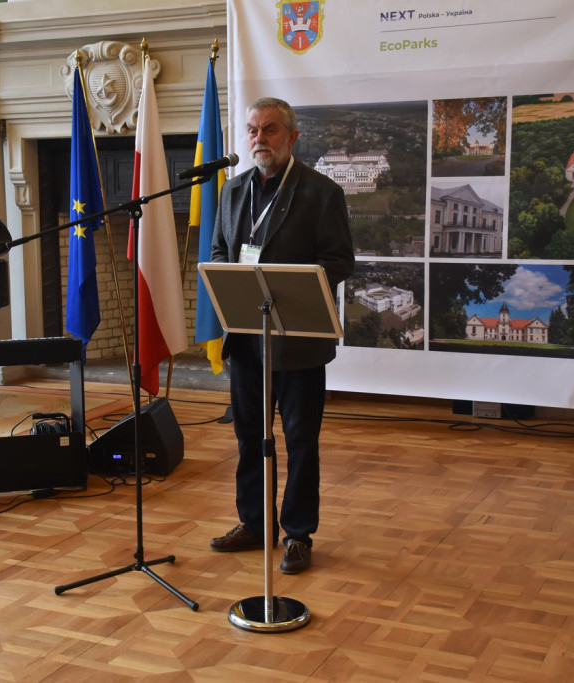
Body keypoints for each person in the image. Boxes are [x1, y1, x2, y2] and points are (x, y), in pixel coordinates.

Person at [209, 97, 354, 574]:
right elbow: (220, 250)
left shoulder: (321, 193)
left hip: (298, 341)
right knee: (250, 438)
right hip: (247, 338)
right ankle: (254, 524)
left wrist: (288, 278)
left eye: (269, 130)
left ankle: (297, 534)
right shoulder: (231, 192)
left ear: (292, 137)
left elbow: (340, 260)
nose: (259, 139)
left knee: (300, 441)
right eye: (252, 130)